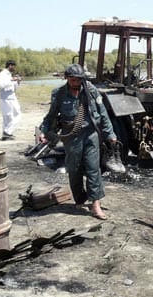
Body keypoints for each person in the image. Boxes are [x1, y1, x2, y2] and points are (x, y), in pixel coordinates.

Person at [38, 64, 118, 220]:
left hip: (90, 134)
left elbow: (102, 113)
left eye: (78, 79)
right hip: (71, 137)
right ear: (67, 78)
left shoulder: (91, 90)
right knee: (74, 169)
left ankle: (96, 204)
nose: (75, 82)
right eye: (72, 79)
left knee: (93, 168)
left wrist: (110, 134)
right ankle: (80, 199)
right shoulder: (59, 94)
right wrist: (44, 131)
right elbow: (51, 115)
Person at [0, 60, 22, 140]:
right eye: (14, 66)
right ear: (10, 66)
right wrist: (12, 80)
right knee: (10, 116)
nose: (14, 68)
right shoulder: (3, 74)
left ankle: (6, 134)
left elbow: (13, 88)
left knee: (10, 116)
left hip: (12, 98)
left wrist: (17, 82)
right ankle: (7, 132)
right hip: (6, 99)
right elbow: (1, 85)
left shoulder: (9, 75)